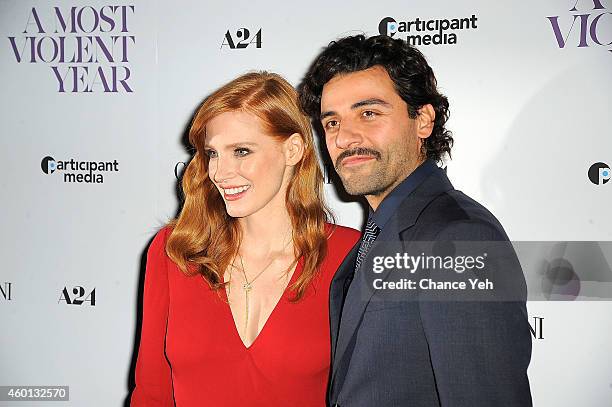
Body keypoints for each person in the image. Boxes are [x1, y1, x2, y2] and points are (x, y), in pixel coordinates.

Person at [299, 34, 532, 406]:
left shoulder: (458, 237)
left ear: (422, 120)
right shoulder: (378, 233)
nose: (344, 137)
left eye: (369, 113)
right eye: (331, 122)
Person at [130, 71, 359, 406]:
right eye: (212, 153)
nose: (220, 173)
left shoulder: (347, 254)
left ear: (293, 149)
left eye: (241, 151)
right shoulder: (176, 251)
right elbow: (151, 393)